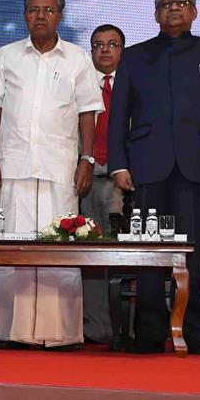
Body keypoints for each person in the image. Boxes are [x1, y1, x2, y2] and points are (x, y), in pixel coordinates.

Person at [107, 0, 200, 355]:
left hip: (196, 166)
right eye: (165, 4)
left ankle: (195, 333)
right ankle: (149, 333)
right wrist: (118, 164)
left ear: (194, 11)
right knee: (148, 253)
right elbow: (119, 118)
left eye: (181, 3)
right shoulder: (134, 57)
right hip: (147, 165)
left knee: (191, 253)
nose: (173, 9)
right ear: (155, 14)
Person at [0, 0, 101, 349]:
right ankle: (10, 330)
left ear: (60, 15)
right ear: (24, 15)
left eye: (48, 10)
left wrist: (87, 159)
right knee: (11, 246)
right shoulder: (6, 56)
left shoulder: (77, 58)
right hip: (13, 166)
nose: (41, 15)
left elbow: (88, 112)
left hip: (60, 168)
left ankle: (58, 333)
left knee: (57, 247)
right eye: (33, 9)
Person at [79, 24, 126, 344]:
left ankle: (127, 328)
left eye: (112, 44)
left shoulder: (135, 86)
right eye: (98, 45)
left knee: (123, 258)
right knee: (87, 256)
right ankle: (96, 327)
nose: (105, 50)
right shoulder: (79, 85)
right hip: (84, 181)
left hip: (123, 184)